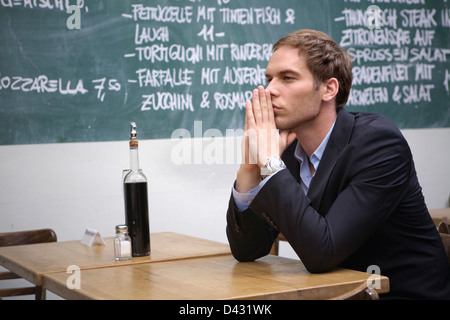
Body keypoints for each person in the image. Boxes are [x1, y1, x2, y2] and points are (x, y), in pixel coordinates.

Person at [226, 29, 450, 299]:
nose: (270, 89)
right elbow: (248, 251)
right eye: (269, 78)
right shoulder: (285, 151)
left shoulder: (378, 143)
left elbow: (323, 253)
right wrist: (250, 168)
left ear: (329, 89)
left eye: (287, 78)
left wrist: (271, 165)